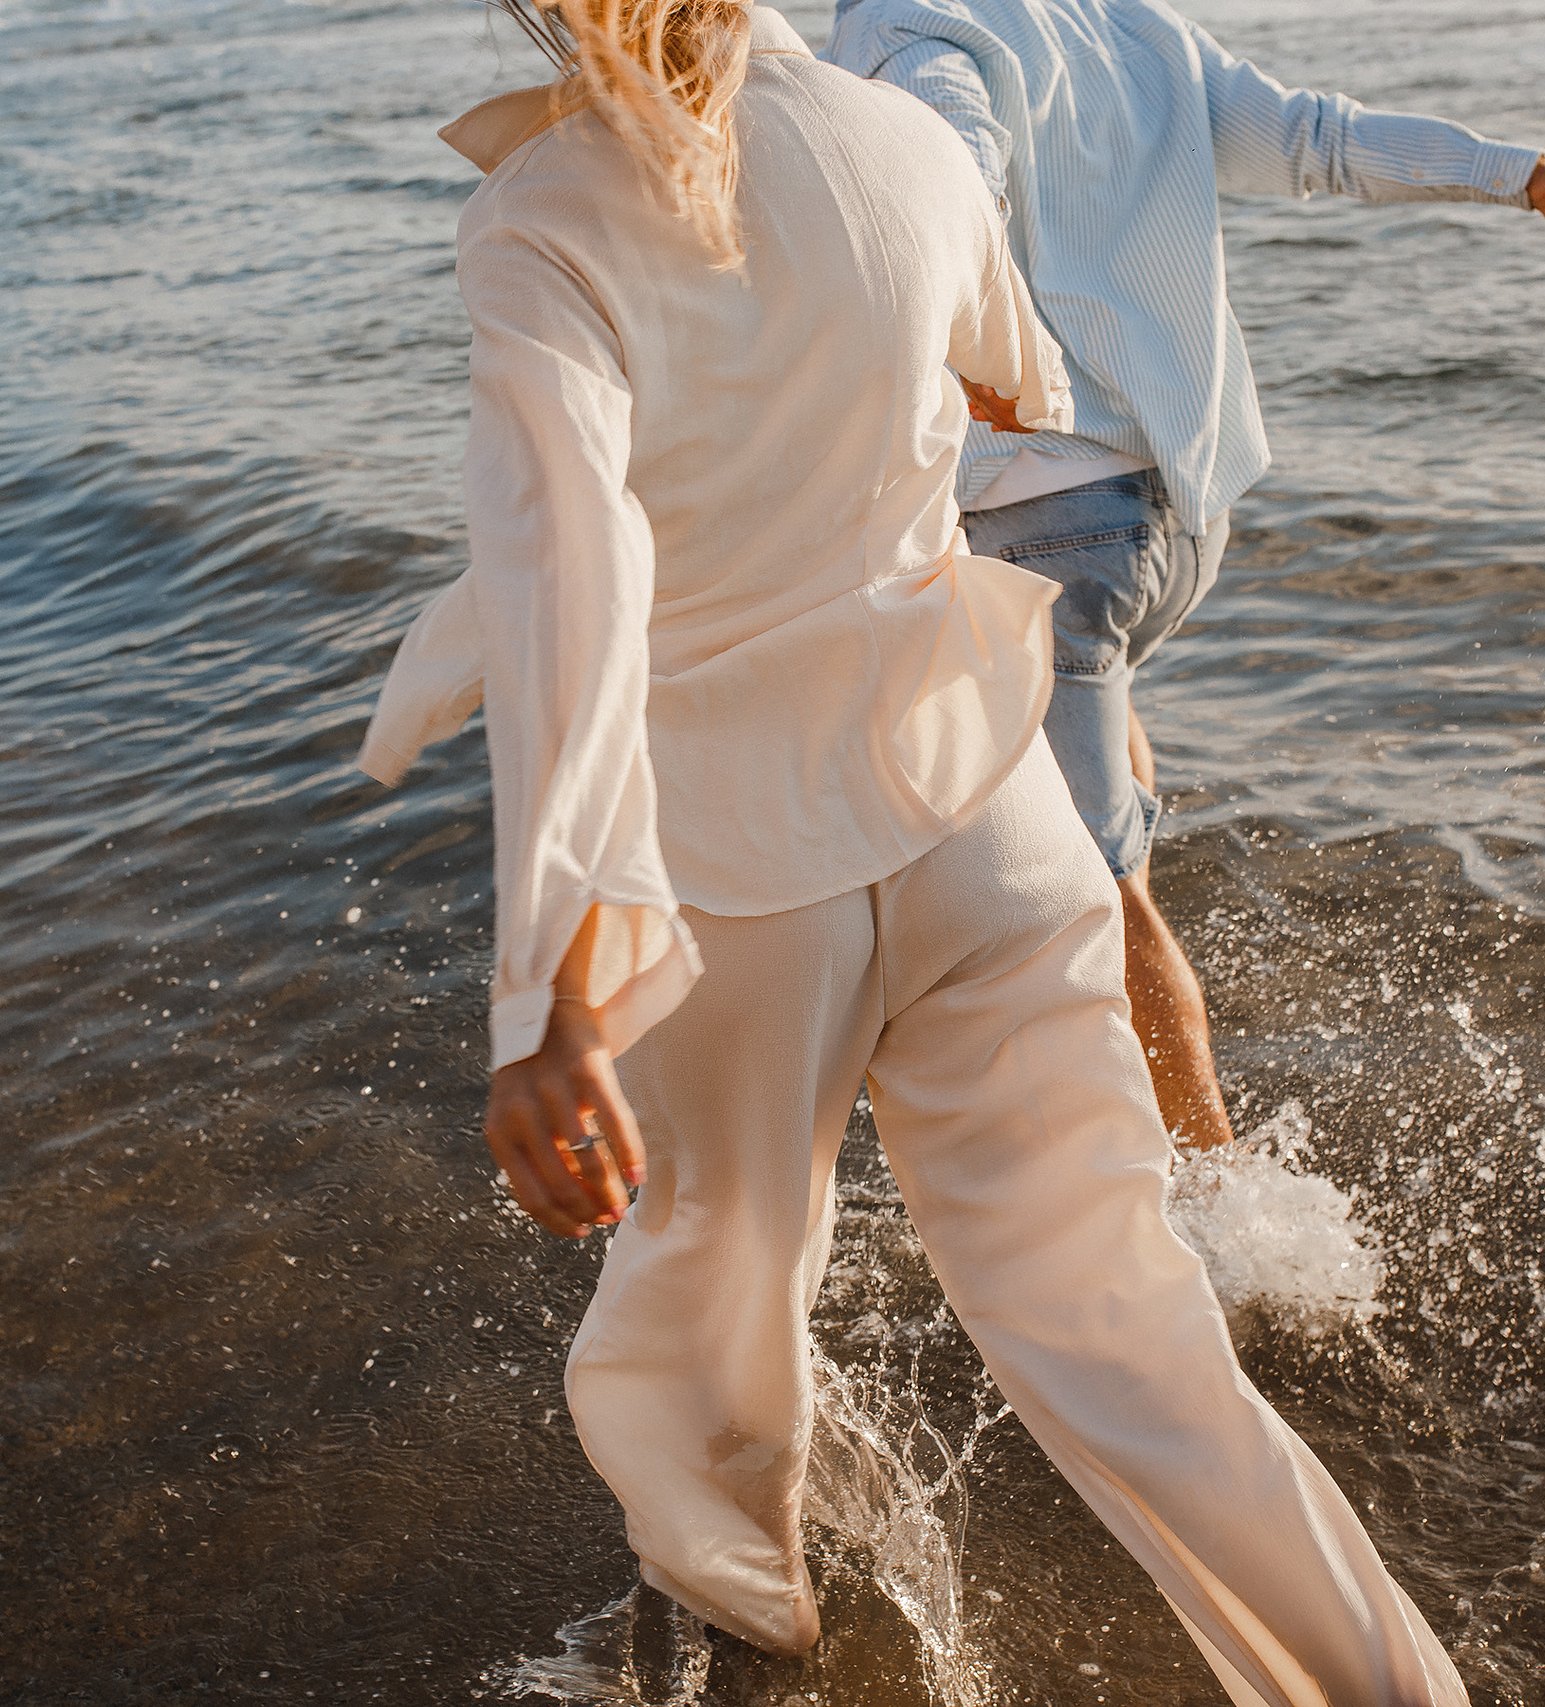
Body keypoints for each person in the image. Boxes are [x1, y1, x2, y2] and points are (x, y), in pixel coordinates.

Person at [362, 1, 1470, 1698]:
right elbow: (1016, 377)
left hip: (749, 877)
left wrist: (553, 996)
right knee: (1137, 1351)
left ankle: (756, 1656)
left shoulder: (541, 218)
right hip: (989, 821)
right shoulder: (906, 140)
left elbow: (566, 585)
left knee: (707, 1362)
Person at [828, 0, 1545, 1152]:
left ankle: (1214, 1200)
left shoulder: (904, 24)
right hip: (1177, 519)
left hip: (1049, 524)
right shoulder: (1130, 25)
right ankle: (1126, 1061)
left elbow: (947, 192)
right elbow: (1318, 139)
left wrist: (944, 336)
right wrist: (1525, 176)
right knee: (1101, 785)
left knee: (1093, 904)